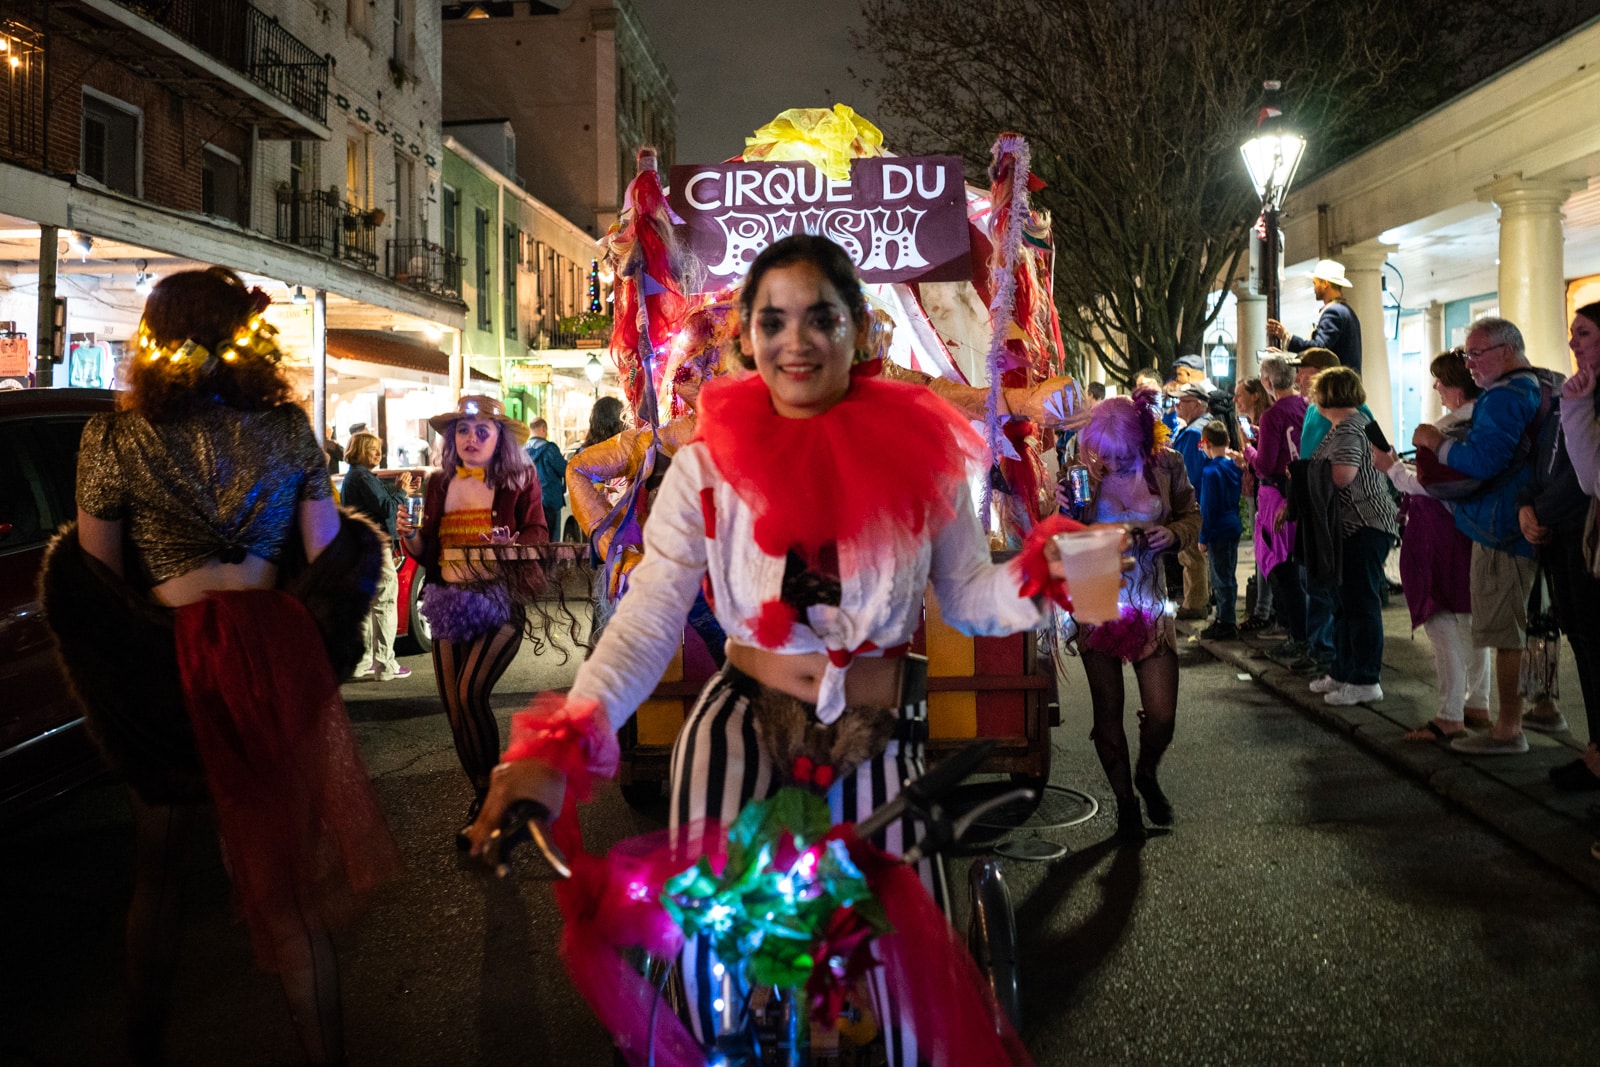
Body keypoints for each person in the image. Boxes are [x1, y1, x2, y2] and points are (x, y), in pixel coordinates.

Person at [467, 235, 1070, 1064]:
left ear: (859, 327)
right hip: (742, 731)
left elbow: (969, 595)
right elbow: (646, 621)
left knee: (899, 1003)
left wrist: (1046, 576)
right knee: (725, 986)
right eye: (773, 319)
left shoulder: (921, 457)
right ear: (746, 334)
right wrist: (563, 740)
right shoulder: (707, 464)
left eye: (820, 317)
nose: (797, 341)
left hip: (877, 734)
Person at [41, 267, 399, 1065]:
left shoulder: (114, 436)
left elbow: (98, 577)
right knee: (287, 893)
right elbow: (328, 557)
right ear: (247, 335)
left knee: (159, 873)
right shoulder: (287, 430)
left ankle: (145, 1047)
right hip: (272, 660)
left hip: (171, 666)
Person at [401, 394, 548, 844]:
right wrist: (410, 539)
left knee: (470, 692)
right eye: (463, 431)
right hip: (448, 599)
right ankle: (485, 795)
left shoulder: (520, 478)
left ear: (499, 438)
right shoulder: (439, 483)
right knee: (454, 707)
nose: (471, 438)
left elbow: (539, 533)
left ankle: (497, 796)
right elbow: (429, 548)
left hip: (500, 600)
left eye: (482, 430)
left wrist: (511, 541)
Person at [1067, 389, 1199, 840]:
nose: (1114, 463)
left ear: (1141, 442)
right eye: (1105, 454)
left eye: (1123, 454)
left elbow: (1190, 516)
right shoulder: (1083, 474)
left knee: (1162, 714)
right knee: (1108, 711)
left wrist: (1173, 533)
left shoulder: (1168, 467)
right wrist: (1065, 509)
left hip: (1148, 597)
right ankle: (1126, 808)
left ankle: (1147, 771)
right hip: (1094, 592)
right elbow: (1059, 530)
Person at [1412, 317, 1543, 755]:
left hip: (1501, 527)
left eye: (1476, 354)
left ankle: (1508, 729)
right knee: (1509, 627)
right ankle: (1529, 712)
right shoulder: (1529, 388)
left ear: (1506, 351)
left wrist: (1435, 443)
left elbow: (1485, 462)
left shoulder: (1506, 396)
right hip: (1507, 522)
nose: (1469, 364)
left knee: (1503, 632)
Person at [1373, 349, 1490, 738]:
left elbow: (1434, 486)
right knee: (1469, 620)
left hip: (1438, 534)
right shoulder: (1483, 423)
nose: (1437, 387)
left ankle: (1450, 714)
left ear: (1457, 384)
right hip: (1468, 530)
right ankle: (1478, 704)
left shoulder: (1450, 428)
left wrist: (1391, 469)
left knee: (1441, 623)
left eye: (1440, 379)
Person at [1525, 302, 1600, 787]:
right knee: (1583, 642)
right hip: (1567, 538)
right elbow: (1549, 461)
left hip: (1583, 534)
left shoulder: (1581, 398)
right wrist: (1529, 506)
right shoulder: (1573, 394)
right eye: (1573, 333)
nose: (1574, 342)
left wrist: (1543, 511)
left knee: (1595, 644)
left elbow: (1587, 476)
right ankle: (1596, 750)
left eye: (1585, 333)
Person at [1303, 367, 1398, 706]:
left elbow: (1341, 476)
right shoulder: (1362, 423)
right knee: (1345, 602)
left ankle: (1365, 679)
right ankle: (1343, 671)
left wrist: (1300, 475)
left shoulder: (1347, 429)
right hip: (1364, 524)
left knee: (1359, 603)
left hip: (1361, 524)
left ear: (1327, 396)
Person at [341, 430, 414, 680]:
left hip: (358, 545)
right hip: (373, 544)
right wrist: (401, 491)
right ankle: (385, 664)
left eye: (379, 448)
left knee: (367, 602)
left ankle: (363, 662)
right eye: (373, 448)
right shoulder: (363, 477)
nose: (378, 453)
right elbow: (387, 508)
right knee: (384, 601)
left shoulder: (354, 477)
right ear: (360, 450)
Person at [1253, 355, 1310, 654]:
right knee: (1302, 570)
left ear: (1268, 382)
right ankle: (1305, 635)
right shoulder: (1306, 407)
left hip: (1279, 496)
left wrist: (1249, 452)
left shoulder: (1272, 415)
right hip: (1306, 492)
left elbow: (1264, 465)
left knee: (1284, 569)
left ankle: (1297, 635)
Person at [1266, 258, 1363, 375]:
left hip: (1336, 384)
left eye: (1315, 283)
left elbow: (1319, 350)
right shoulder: (1345, 311)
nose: (1314, 288)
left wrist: (1286, 337)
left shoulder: (1333, 312)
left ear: (1325, 284)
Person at [1170, 383, 1214, 619]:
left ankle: (1195, 603)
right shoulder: (1203, 427)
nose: (1177, 405)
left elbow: (1189, 473)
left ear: (1197, 404)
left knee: (1191, 554)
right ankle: (1201, 599)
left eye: (1182, 401)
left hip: (1193, 502)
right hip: (1205, 499)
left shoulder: (1194, 433)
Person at [1197, 420, 1242, 640]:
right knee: (1229, 575)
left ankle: (1225, 621)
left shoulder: (1210, 472)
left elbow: (1208, 508)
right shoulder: (1233, 467)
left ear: (1206, 443)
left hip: (1218, 530)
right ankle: (1227, 617)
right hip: (1233, 525)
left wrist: (1203, 536)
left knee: (1219, 578)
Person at [524, 416, 569, 539]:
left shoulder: (522, 452)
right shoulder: (550, 449)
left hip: (530, 503)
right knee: (552, 543)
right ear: (543, 428)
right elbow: (564, 469)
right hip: (551, 501)